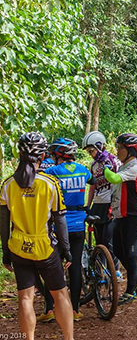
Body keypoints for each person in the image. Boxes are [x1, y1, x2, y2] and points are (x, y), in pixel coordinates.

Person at [0, 132, 74, 340]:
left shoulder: (8, 185)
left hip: (18, 248)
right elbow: (60, 220)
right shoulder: (50, 183)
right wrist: (66, 251)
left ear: (20, 154)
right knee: (60, 294)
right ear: (42, 156)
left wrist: (6, 253)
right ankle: (69, 338)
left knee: (25, 297)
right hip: (45, 248)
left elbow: (4, 223)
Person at [40, 138, 95, 322]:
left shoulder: (53, 171)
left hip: (58, 227)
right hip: (79, 224)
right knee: (76, 265)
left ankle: (49, 310)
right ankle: (75, 310)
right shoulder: (83, 169)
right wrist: (87, 204)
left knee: (52, 268)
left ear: (57, 155)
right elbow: (93, 181)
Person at [104, 133, 137, 305]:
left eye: (120, 148)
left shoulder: (134, 167)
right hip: (121, 214)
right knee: (118, 249)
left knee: (130, 254)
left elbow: (113, 178)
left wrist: (105, 169)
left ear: (130, 150)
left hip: (133, 215)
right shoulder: (124, 166)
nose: (117, 151)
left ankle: (131, 291)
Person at [82, 131, 123, 280]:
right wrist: (88, 205)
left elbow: (118, 183)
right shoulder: (94, 165)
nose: (90, 154)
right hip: (98, 205)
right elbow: (92, 187)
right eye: (88, 151)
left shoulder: (114, 161)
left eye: (91, 150)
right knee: (98, 240)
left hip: (110, 204)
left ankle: (116, 271)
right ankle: (102, 272)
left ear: (99, 146)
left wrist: (114, 204)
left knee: (109, 239)